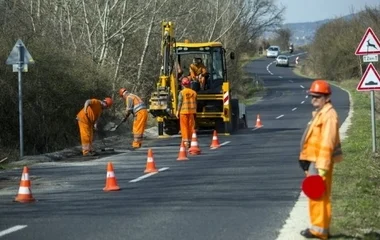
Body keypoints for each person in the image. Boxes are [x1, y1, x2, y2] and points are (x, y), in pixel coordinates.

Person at [298, 79, 343, 239]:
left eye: (317, 96)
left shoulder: (329, 115)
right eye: (312, 96)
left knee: (319, 196)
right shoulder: (320, 113)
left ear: (327, 97)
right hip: (314, 162)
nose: (313, 99)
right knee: (315, 195)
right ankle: (317, 228)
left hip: (320, 163)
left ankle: (320, 231)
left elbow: (327, 143)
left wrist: (322, 168)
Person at [176, 77, 197, 148]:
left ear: (182, 84)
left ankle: (186, 142)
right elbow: (196, 102)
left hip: (183, 112)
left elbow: (180, 103)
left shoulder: (181, 92)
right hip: (191, 112)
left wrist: (177, 111)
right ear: (189, 84)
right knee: (191, 127)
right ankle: (191, 140)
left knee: (184, 127)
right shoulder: (194, 92)